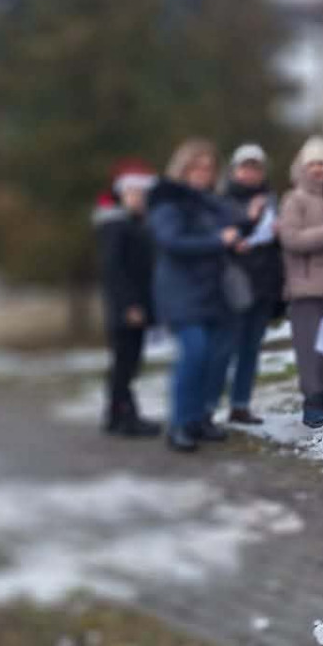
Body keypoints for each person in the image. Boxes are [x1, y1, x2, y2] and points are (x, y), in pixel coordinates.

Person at [148, 138, 243, 453]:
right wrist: (218, 240)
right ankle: (180, 423)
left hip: (215, 290)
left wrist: (235, 241)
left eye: (209, 168)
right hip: (182, 291)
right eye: (196, 167)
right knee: (195, 353)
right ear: (183, 169)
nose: (203, 173)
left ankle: (201, 417)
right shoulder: (168, 201)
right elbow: (171, 241)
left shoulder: (213, 203)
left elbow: (223, 236)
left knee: (217, 357)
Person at [277, 135, 323, 427]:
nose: (318, 169)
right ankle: (313, 403)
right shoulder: (294, 200)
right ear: (303, 167)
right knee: (310, 352)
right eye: (313, 164)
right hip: (305, 288)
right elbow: (290, 239)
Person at [217, 143, 285, 425]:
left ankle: (240, 404)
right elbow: (221, 238)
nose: (250, 173)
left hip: (264, 282)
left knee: (251, 348)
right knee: (226, 347)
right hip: (235, 284)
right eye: (245, 167)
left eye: (256, 168)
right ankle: (208, 404)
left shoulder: (271, 199)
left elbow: (275, 242)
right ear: (234, 170)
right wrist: (249, 219)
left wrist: (280, 233)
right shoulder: (222, 199)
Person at [95, 160, 160, 437]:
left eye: (141, 193)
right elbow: (114, 270)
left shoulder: (137, 224)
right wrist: (130, 305)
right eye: (132, 193)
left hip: (135, 303)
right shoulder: (116, 226)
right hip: (125, 307)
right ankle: (124, 416)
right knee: (125, 363)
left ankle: (115, 414)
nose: (138, 198)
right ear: (122, 194)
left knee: (127, 362)